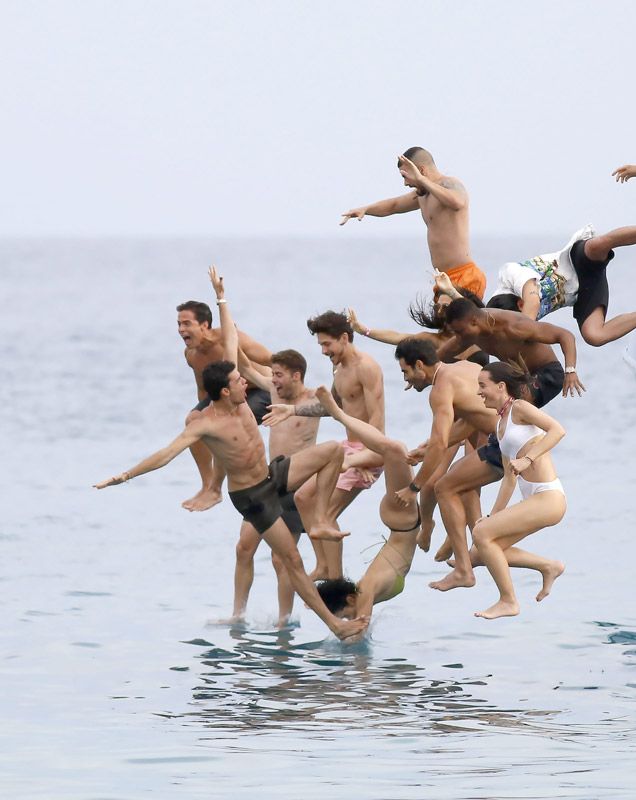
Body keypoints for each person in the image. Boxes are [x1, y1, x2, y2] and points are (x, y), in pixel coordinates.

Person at [94, 268, 368, 642]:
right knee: (290, 561)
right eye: (239, 382)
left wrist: (221, 298)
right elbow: (165, 454)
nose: (250, 384)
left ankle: (319, 517)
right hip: (254, 497)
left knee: (333, 450)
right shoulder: (206, 424)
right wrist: (123, 476)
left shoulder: (241, 404)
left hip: (275, 475)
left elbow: (231, 344)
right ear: (225, 392)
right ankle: (333, 625)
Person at [264, 310, 385, 581]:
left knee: (326, 515)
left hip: (369, 450)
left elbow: (376, 422)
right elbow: (331, 407)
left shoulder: (367, 368)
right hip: (349, 448)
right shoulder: (339, 369)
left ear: (344, 338)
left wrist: (367, 457)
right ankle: (323, 565)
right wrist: (291, 410)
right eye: (320, 345)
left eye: (326, 344)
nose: (323, 351)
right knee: (303, 497)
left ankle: (336, 581)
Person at [223, 348, 320, 627]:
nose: (273, 380)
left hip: (296, 487)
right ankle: (237, 615)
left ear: (296, 375)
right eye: (273, 374)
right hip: (268, 482)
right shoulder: (275, 392)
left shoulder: (313, 399)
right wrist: (224, 310)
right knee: (243, 547)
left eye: (278, 375)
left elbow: (334, 409)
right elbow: (242, 363)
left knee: (281, 559)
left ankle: (284, 621)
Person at [391, 339, 498, 590]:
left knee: (443, 487)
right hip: (511, 434)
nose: (406, 380)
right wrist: (427, 448)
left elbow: (441, 443)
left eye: (406, 372)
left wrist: (413, 488)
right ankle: (476, 550)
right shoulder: (465, 367)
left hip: (506, 442)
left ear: (420, 365)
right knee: (459, 484)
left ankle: (464, 570)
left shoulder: (440, 388)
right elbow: (473, 419)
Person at [313, 386, 420, 622]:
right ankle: (353, 458)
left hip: (402, 521)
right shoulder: (362, 593)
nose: (349, 619)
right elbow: (358, 630)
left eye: (345, 615)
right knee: (395, 450)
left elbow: (360, 629)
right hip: (405, 523)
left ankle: (344, 438)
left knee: (394, 450)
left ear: (350, 600)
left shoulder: (365, 592)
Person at [471, 362, 566, 620]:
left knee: (481, 534)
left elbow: (558, 430)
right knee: (480, 551)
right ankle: (548, 566)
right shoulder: (501, 425)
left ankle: (508, 601)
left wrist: (529, 458)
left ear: (501, 386)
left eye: (482, 385)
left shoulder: (520, 408)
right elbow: (508, 480)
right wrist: (492, 516)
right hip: (536, 499)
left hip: (549, 497)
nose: (478, 392)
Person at [340, 147, 487, 299]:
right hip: (444, 279)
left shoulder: (450, 184)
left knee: (459, 322)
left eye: (406, 176)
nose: (405, 183)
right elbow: (394, 205)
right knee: (442, 323)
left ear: (421, 171)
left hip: (464, 275)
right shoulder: (422, 195)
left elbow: (458, 202)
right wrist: (366, 209)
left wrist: (422, 180)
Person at [177, 299, 272, 511]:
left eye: (186, 323)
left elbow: (271, 359)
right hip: (228, 395)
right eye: (179, 324)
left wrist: (291, 391)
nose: (181, 329)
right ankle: (209, 486)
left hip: (261, 390)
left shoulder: (229, 339)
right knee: (192, 420)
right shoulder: (192, 355)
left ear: (204, 325)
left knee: (219, 426)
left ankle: (218, 486)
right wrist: (203, 415)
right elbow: (204, 391)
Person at [486, 224, 636, 346]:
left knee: (596, 246)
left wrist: (522, 331)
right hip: (582, 292)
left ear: (520, 304)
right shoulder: (508, 319)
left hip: (575, 261)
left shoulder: (509, 274)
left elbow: (532, 301)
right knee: (594, 336)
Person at [439, 298, 585, 399]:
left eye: (459, 332)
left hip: (547, 374)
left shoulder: (514, 326)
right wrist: (421, 373)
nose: (458, 337)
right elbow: (440, 355)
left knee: (510, 403)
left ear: (474, 322)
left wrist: (570, 371)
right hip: (519, 378)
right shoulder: (471, 332)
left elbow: (565, 335)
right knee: (482, 399)